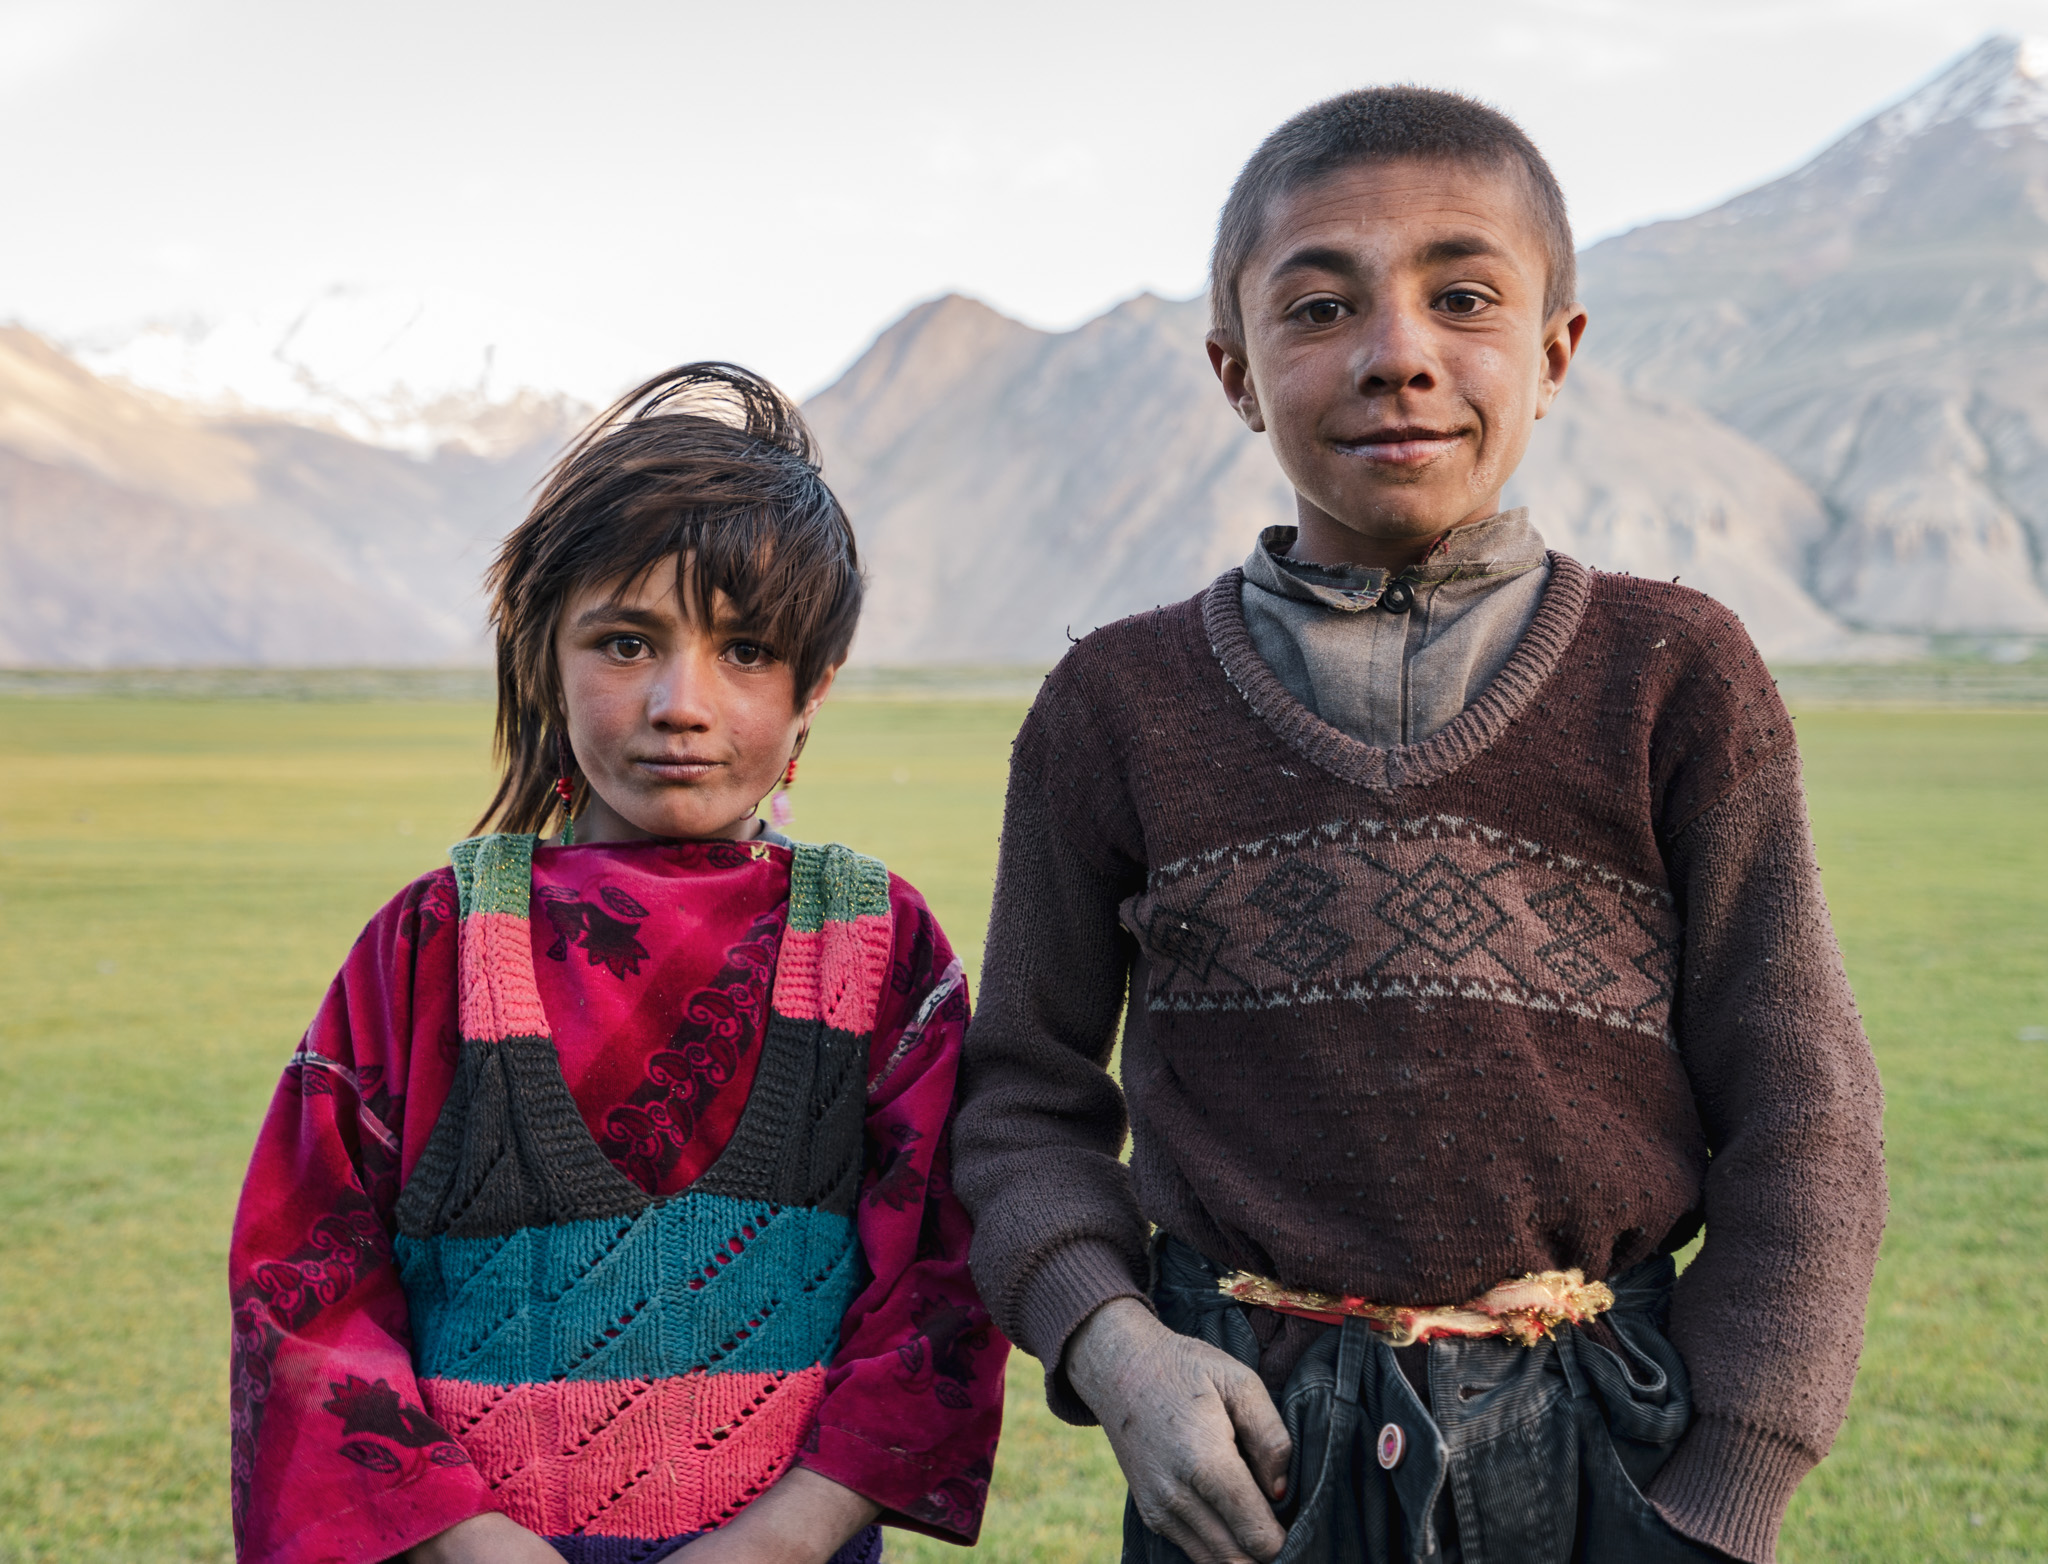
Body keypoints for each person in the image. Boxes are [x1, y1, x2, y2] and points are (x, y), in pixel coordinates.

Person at [951, 87, 1884, 1564]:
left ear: (1556, 348)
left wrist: (1730, 1483)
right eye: (1319, 308)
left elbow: (1805, 1110)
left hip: (1610, 1445)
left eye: (1463, 296)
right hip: (1240, 1453)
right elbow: (1020, 1098)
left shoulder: (1676, 676)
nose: (1398, 356)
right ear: (1236, 372)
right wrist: (1117, 1355)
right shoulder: (1114, 705)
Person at [229, 364, 1006, 1564]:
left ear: (813, 697)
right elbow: (305, 1268)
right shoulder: (429, 945)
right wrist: (463, 1534)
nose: (679, 702)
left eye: (746, 651)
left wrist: (784, 1537)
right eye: (626, 641)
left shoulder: (875, 947)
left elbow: (944, 1277)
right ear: (544, 658)